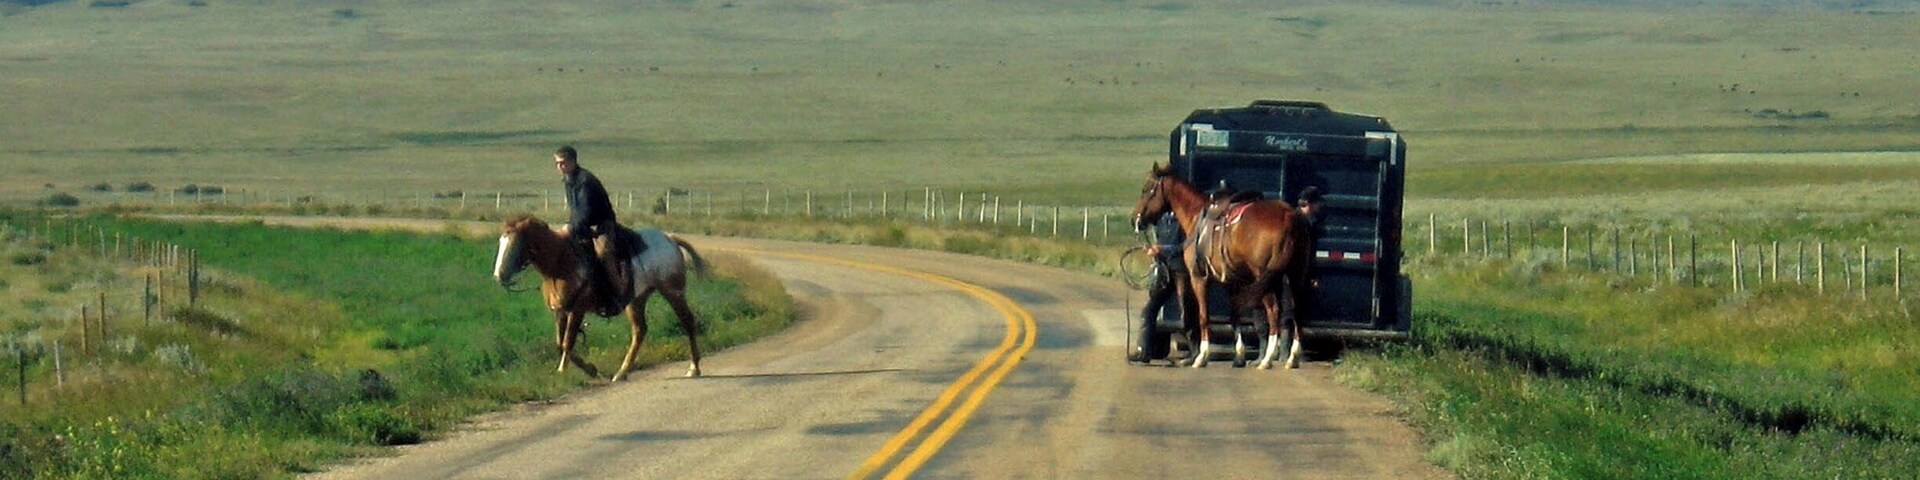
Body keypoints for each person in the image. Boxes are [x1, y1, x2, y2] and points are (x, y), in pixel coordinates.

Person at [553, 145, 628, 317]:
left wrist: (570, 228)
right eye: (557, 164)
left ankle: (620, 295)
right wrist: (569, 226)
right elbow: (576, 211)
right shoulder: (568, 180)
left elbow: (586, 212)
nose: (559, 167)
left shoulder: (585, 181)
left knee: (603, 254)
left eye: (562, 163)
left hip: (602, 224)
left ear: (572, 161)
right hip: (584, 226)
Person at [1129, 211, 1187, 364]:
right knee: (1149, 311)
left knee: (1187, 311)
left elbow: (1186, 246)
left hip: (1181, 271)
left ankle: (1195, 350)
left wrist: (1162, 249)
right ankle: (1144, 350)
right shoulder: (1162, 220)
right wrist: (1153, 250)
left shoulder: (1185, 219)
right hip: (1165, 272)